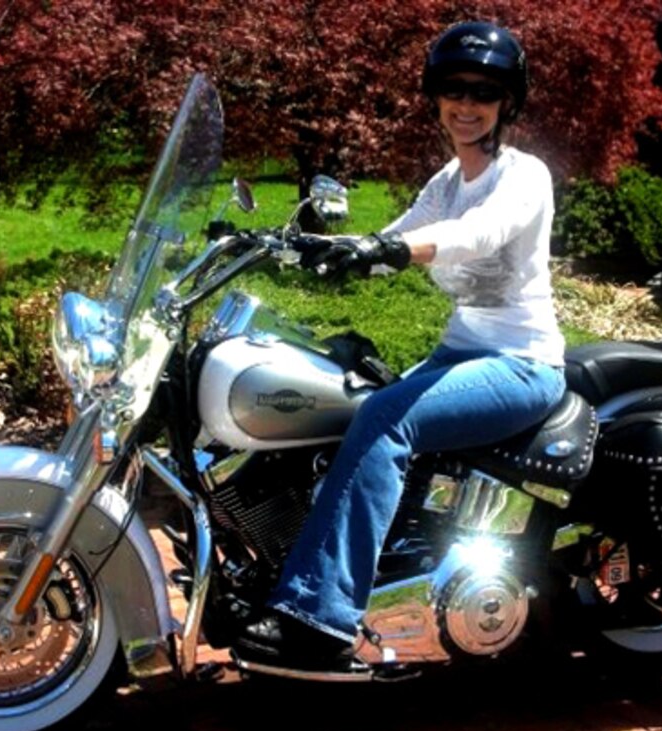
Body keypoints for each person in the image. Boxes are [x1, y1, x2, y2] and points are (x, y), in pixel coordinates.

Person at [238, 21, 567, 668]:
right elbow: (393, 239)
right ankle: (370, 570)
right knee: (342, 401)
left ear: (508, 103)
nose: (466, 105)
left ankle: (320, 620)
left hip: (522, 364)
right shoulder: (447, 180)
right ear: (435, 96)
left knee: (385, 421)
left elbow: (478, 234)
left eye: (484, 91)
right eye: (454, 89)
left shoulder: (523, 177)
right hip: (460, 353)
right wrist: (292, 247)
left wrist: (392, 249)